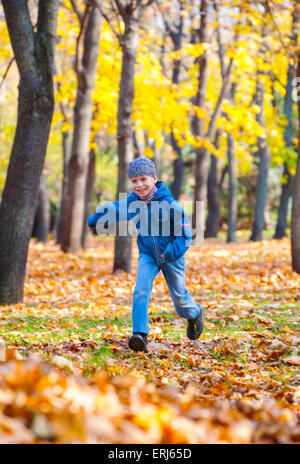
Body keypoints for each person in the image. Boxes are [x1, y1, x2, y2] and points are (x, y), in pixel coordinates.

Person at [87, 157, 203, 353]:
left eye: (143, 179)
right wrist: (94, 219)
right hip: (148, 255)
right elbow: (114, 209)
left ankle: (194, 313)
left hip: (171, 256)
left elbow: (185, 235)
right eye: (134, 181)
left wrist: (171, 253)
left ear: (154, 179)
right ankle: (140, 335)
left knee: (179, 297)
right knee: (140, 290)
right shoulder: (133, 202)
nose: (139, 185)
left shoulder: (170, 204)